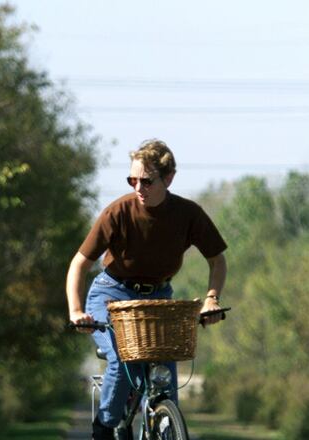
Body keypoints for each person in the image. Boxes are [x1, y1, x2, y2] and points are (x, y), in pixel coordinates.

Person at [65, 139, 227, 440]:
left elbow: (217, 260)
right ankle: (106, 424)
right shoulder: (118, 212)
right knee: (123, 357)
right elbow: (79, 263)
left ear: (169, 178)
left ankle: (164, 422)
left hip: (158, 296)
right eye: (132, 180)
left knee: (165, 370)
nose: (138, 187)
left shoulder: (187, 214)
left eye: (147, 181)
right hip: (111, 293)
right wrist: (77, 311)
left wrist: (211, 299)